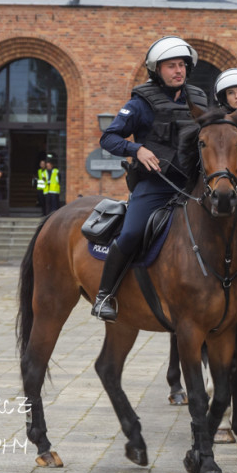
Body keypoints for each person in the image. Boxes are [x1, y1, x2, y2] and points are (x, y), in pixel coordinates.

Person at [92, 37, 210, 321]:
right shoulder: (140, 103)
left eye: (182, 65)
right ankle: (104, 294)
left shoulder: (201, 100)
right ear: (157, 69)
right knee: (131, 234)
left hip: (193, 186)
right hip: (155, 185)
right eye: (171, 66)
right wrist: (137, 149)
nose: (178, 70)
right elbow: (108, 137)